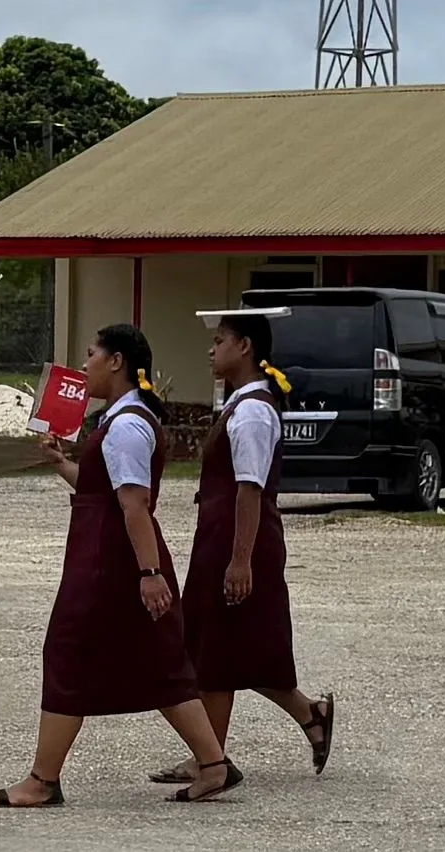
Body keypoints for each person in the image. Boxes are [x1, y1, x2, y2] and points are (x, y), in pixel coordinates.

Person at [0, 323, 244, 808]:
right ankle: (213, 764)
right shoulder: (124, 419)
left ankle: (43, 780)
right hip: (117, 557)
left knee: (66, 652)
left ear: (117, 361)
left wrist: (149, 575)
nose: (84, 366)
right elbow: (104, 491)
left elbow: (133, 505)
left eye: (91, 354)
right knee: (160, 661)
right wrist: (63, 464)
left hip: (110, 563)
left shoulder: (126, 425)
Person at [149, 311, 334, 786]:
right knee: (230, 645)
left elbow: (249, 489)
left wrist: (239, 559)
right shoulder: (240, 404)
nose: (212, 350)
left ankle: (209, 758)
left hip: (238, 541)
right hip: (223, 538)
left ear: (245, 347)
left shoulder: (252, 411)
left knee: (218, 648)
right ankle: (307, 714)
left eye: (221, 340)